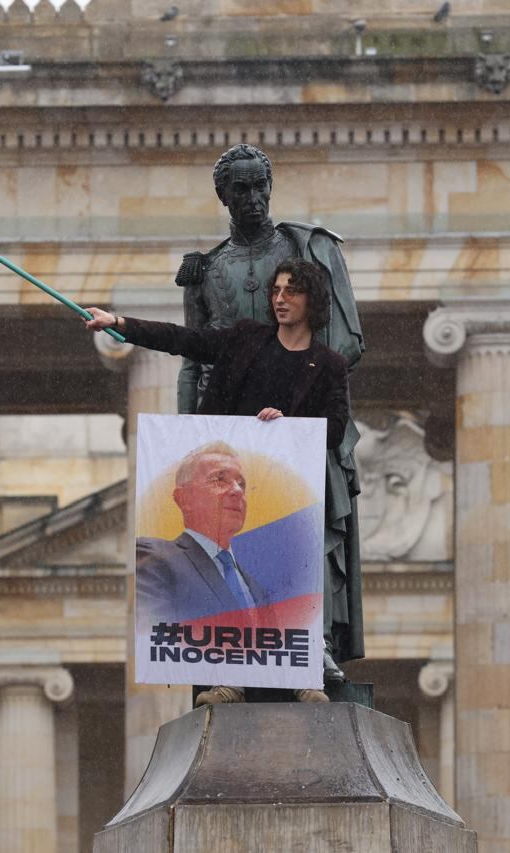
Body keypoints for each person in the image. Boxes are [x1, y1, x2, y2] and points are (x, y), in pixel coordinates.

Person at [84, 258, 348, 704]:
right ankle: (228, 681)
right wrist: (120, 324)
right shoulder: (248, 340)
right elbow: (184, 340)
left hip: (284, 478)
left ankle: (303, 676)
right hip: (229, 462)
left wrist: (290, 421)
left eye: (291, 292)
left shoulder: (326, 364)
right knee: (228, 578)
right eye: (276, 291)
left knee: (287, 575)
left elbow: (337, 427)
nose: (280, 300)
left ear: (312, 301)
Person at [173, 144, 365, 680]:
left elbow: (347, 345)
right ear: (223, 197)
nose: (255, 199)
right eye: (242, 189)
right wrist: (186, 436)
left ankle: (314, 640)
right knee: (229, 534)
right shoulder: (206, 271)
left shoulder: (310, 253)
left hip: (299, 418)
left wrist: (291, 387)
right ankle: (232, 651)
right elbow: (192, 358)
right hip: (233, 424)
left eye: (262, 186)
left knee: (310, 524)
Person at [136, 442, 268, 624]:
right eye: (219, 479)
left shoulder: (257, 589)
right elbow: (153, 639)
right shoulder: (153, 558)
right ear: (184, 499)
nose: (237, 491)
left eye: (241, 484)